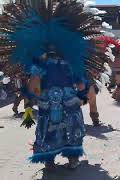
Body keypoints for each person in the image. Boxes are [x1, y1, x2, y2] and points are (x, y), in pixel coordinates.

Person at [0, 0, 106, 169]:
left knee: (49, 128)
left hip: (49, 101)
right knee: (69, 127)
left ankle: (51, 159)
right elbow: (79, 83)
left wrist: (29, 100)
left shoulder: (42, 64)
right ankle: (69, 159)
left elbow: (35, 85)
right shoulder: (68, 63)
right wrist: (82, 93)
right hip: (66, 100)